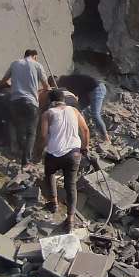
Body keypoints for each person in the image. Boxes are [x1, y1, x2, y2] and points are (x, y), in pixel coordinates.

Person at [34, 88, 90, 232]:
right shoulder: (74, 111)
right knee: (70, 186)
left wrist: (38, 153)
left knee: (50, 174)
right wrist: (85, 147)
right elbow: (85, 130)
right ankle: (70, 219)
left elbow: (43, 136)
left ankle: (53, 203)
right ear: (63, 99)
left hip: (54, 153)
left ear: (50, 101)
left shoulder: (48, 114)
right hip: (73, 153)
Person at [0, 49, 50, 169]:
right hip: (31, 103)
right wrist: (48, 89)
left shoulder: (15, 63)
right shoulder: (38, 65)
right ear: (35, 56)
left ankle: (19, 151)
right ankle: (26, 161)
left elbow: (4, 80)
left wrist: (10, 85)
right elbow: (46, 85)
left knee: (19, 128)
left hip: (15, 102)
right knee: (31, 133)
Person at [57, 73, 110, 145]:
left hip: (97, 88)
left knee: (95, 114)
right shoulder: (71, 79)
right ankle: (78, 133)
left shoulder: (71, 81)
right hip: (87, 92)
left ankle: (106, 138)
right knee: (76, 111)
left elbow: (75, 95)